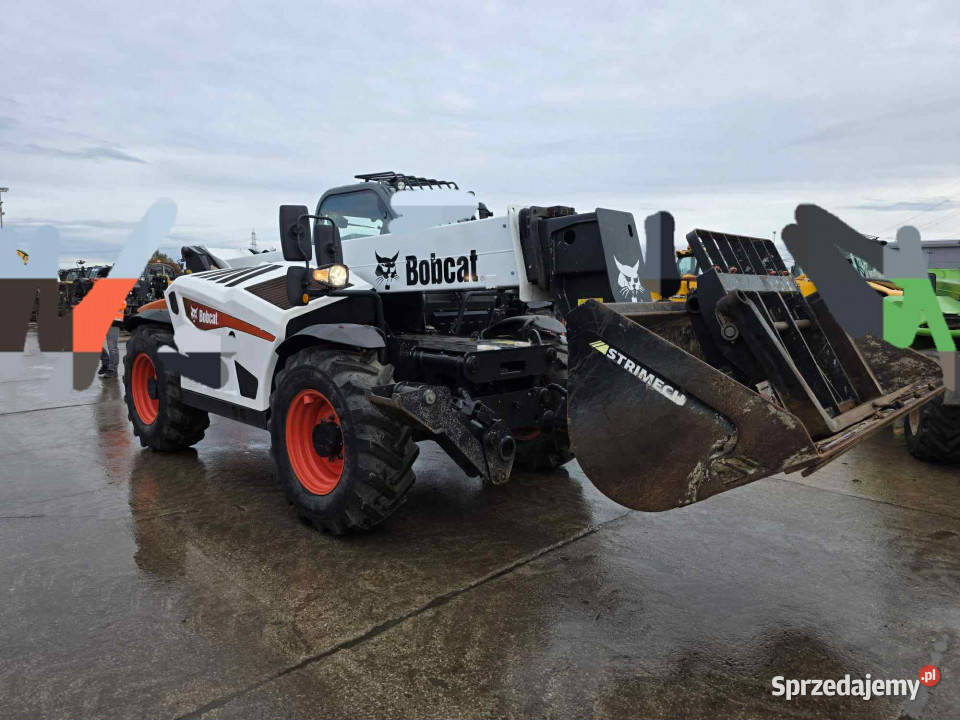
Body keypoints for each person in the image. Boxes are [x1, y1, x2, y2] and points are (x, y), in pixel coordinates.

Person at [99, 300, 125, 378]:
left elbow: (123, 304)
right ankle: (106, 363)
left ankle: (112, 370)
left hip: (114, 321)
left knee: (112, 347)